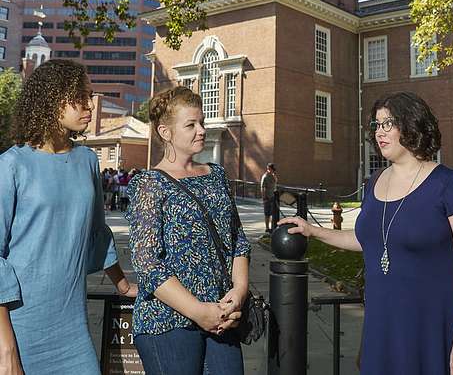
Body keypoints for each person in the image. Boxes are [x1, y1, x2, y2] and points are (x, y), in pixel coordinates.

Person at [281, 91, 453, 374]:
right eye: (376, 125)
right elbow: (368, 240)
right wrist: (313, 231)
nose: (379, 132)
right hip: (382, 326)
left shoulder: (448, 185)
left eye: (388, 123)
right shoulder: (375, 181)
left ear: (412, 124)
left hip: (432, 328)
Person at [0, 59, 136, 375]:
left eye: (90, 95)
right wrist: (6, 347)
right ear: (51, 100)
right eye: (80, 96)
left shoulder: (87, 160)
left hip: (73, 328)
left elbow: (97, 234)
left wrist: (123, 285)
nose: (90, 105)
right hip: (18, 326)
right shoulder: (11, 165)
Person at [126, 86, 251, 375]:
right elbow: (147, 263)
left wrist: (239, 290)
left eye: (202, 122)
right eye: (191, 125)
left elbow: (238, 241)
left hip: (221, 314)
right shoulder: (149, 184)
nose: (202, 130)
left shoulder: (216, 175)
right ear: (166, 132)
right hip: (167, 321)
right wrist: (197, 311)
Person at [260, 162, 278, 233]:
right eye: (268, 169)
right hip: (267, 197)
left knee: (273, 213)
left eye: (270, 169)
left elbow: (276, 182)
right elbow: (262, 188)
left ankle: (273, 227)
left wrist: (274, 175)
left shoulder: (273, 176)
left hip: (273, 197)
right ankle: (267, 228)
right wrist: (264, 197)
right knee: (267, 213)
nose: (269, 170)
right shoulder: (265, 176)